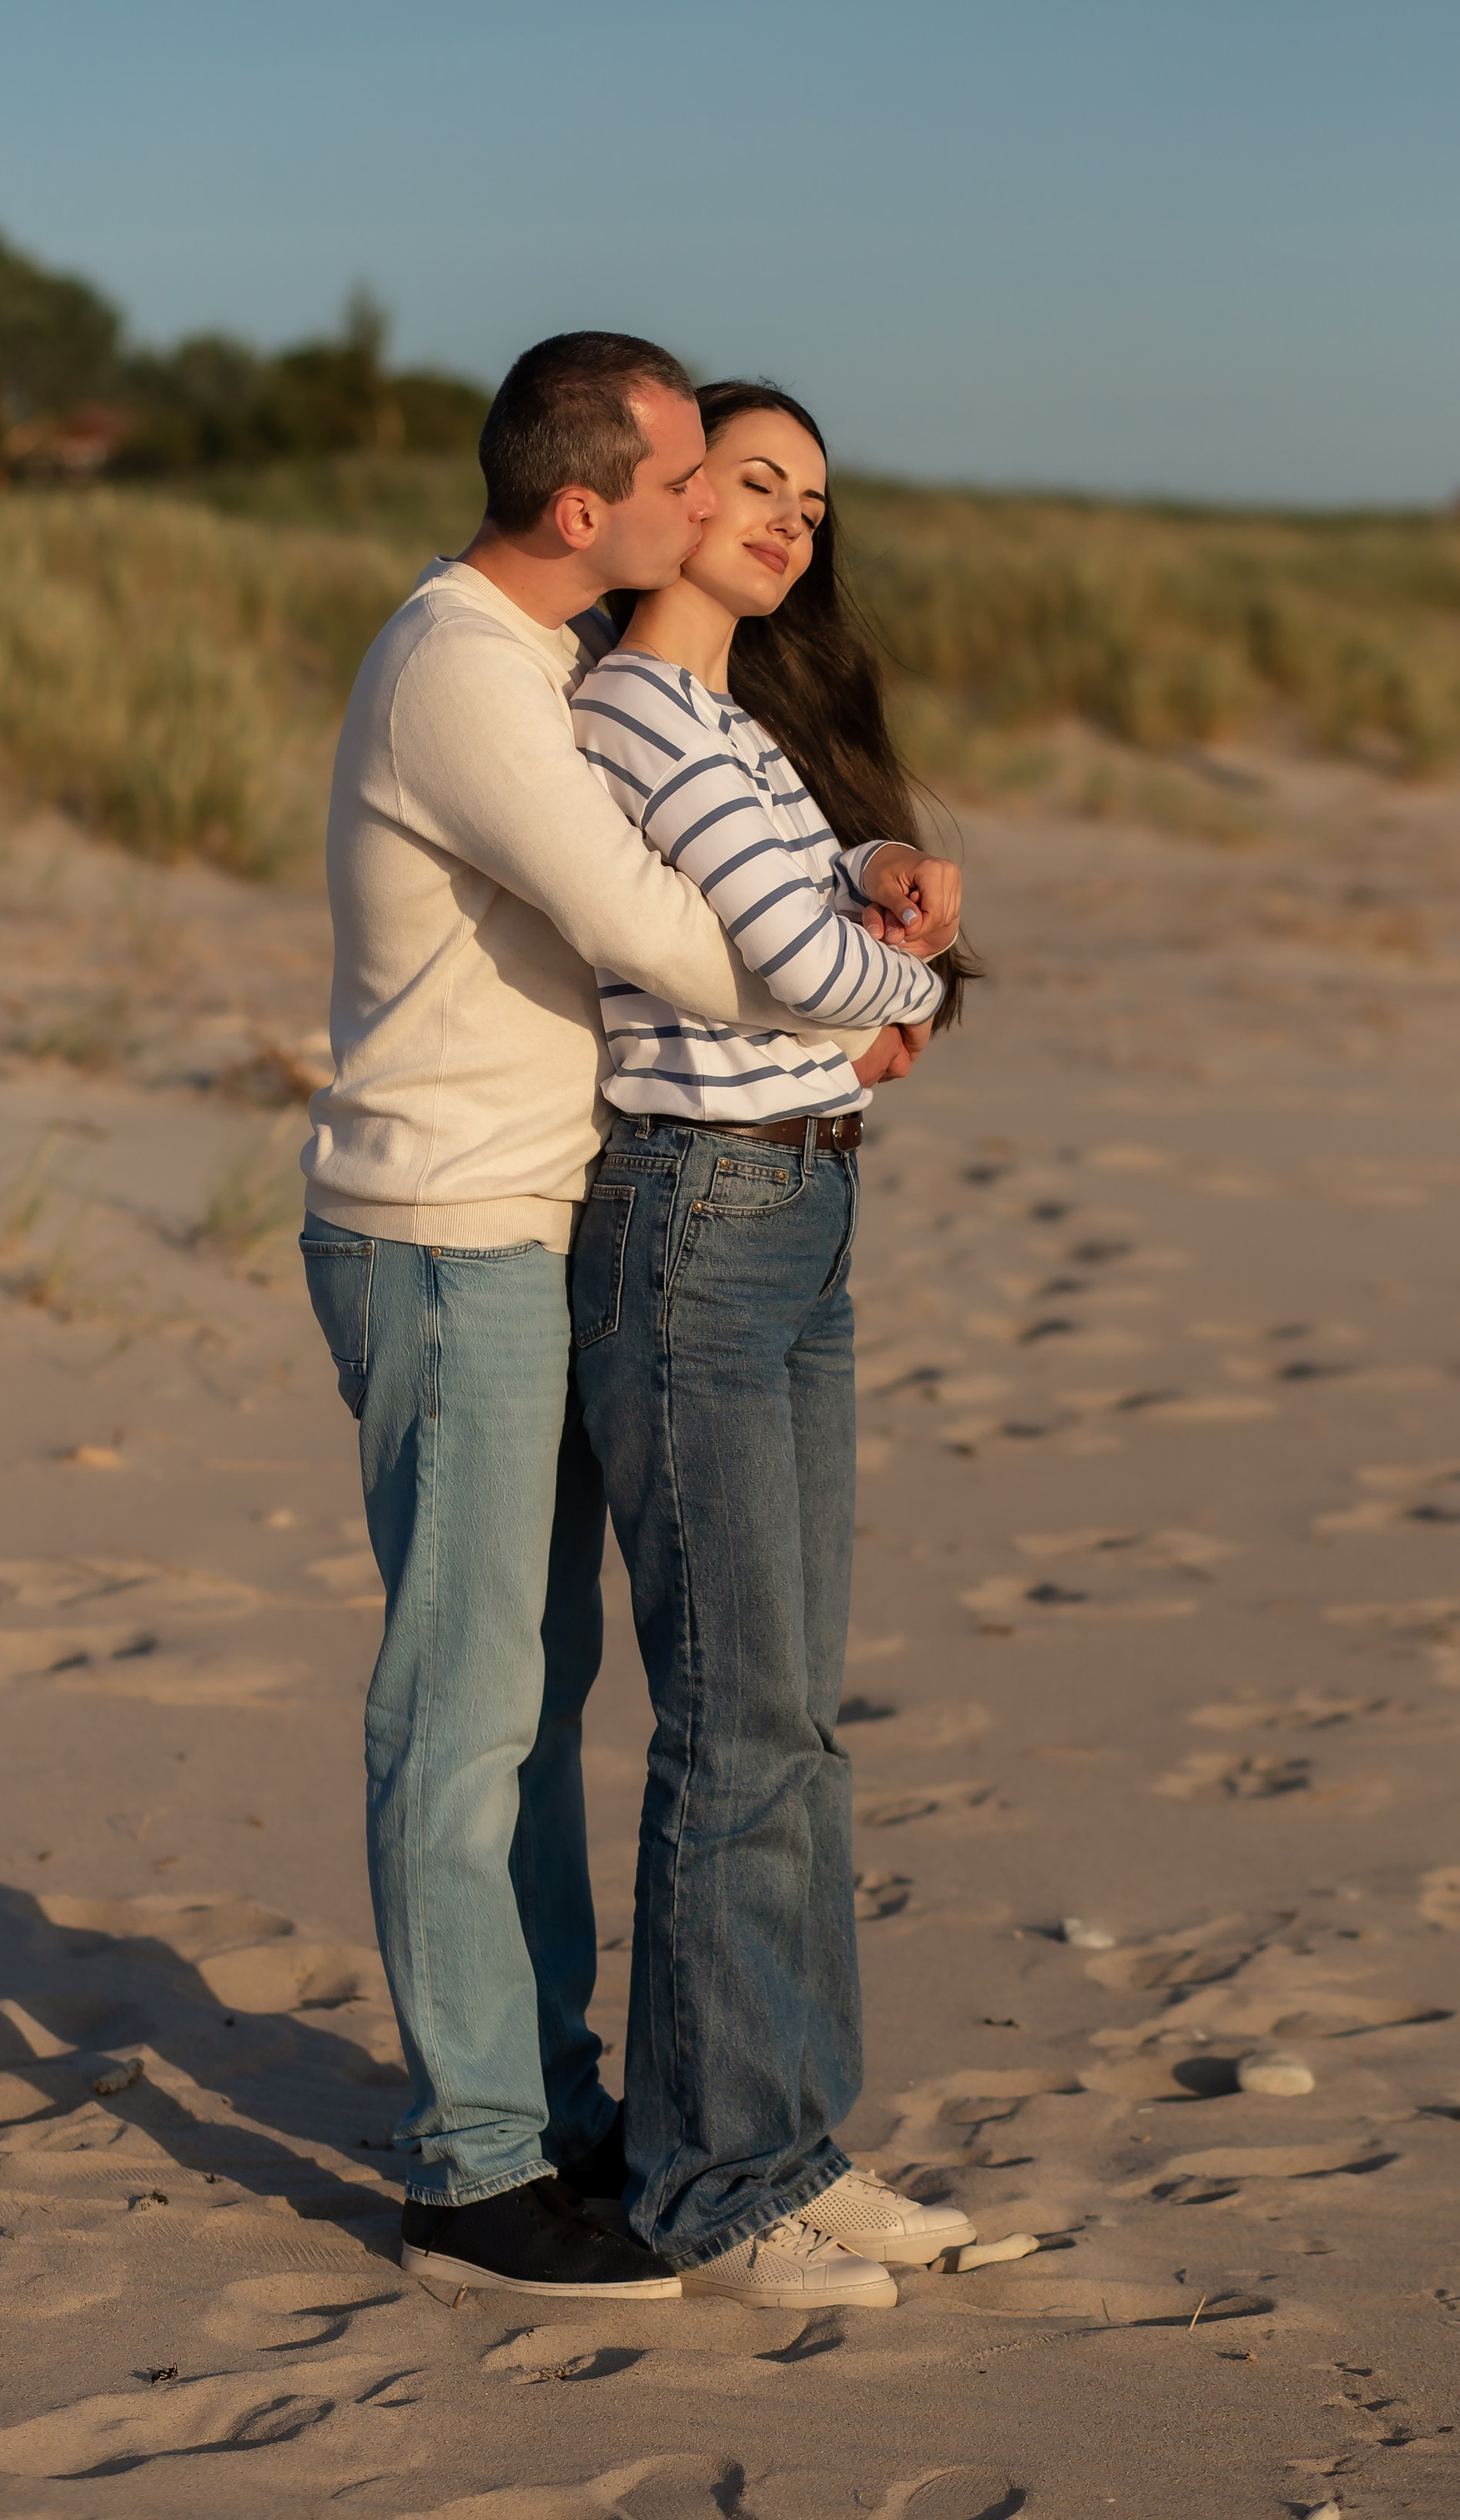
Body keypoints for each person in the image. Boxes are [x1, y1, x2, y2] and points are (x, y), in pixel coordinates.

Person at [297, 332, 929, 2301]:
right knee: (467, 1700)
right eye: (686, 479)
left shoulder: (540, 664)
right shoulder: (467, 673)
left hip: (543, 1209)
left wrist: (862, 886)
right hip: (445, 1226)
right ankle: (474, 2164)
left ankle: (556, 2110)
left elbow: (724, 876)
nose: (717, 513)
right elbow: (661, 930)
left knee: (545, 1677)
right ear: (591, 510)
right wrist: (872, 990)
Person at [568, 379, 979, 2306]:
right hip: (700, 1221)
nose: (788, 519)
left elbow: (830, 940)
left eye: (812, 499)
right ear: (668, 492)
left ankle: (789, 2144)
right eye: (753, 480)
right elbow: (804, 968)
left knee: (793, 1714)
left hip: (800, 1207)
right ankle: (713, 2182)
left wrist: (880, 899)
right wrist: (883, 968)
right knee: (734, 1717)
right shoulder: (633, 706)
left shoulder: (743, 727)